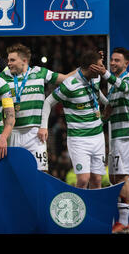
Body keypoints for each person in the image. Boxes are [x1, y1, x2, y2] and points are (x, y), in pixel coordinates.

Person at [90, 47, 129, 233]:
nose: (112, 63)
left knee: (121, 179)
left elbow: (125, 88)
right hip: (117, 136)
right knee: (114, 179)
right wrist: (96, 91)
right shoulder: (113, 86)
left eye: (117, 60)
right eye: (111, 60)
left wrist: (104, 73)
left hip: (126, 136)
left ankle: (124, 224)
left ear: (126, 64)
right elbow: (109, 109)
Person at [39, 51, 109, 189]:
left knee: (96, 180)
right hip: (79, 139)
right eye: (100, 66)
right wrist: (43, 127)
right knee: (83, 180)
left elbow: (97, 94)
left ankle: (94, 210)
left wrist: (107, 103)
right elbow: (48, 102)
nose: (103, 69)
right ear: (92, 67)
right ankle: (80, 210)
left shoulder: (96, 78)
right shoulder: (70, 85)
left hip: (98, 136)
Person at [0, 43, 75, 171]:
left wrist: (85, 68)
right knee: (15, 173)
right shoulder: (3, 76)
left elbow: (66, 79)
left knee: (41, 172)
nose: (9, 63)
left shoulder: (39, 72)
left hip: (35, 132)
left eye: (12, 60)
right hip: (13, 132)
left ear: (24, 61)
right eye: (8, 60)